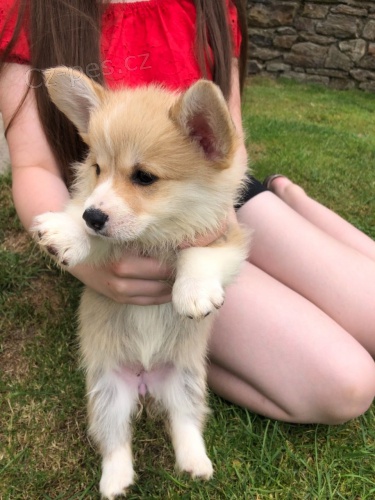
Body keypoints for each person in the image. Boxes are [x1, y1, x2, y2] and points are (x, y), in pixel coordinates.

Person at [0, 0, 374, 425]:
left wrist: (221, 222)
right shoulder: (27, 11)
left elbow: (226, 134)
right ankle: (290, 200)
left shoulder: (212, 6)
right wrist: (87, 262)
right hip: (139, 237)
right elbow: (34, 167)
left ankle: (291, 197)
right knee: (348, 385)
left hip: (217, 196)